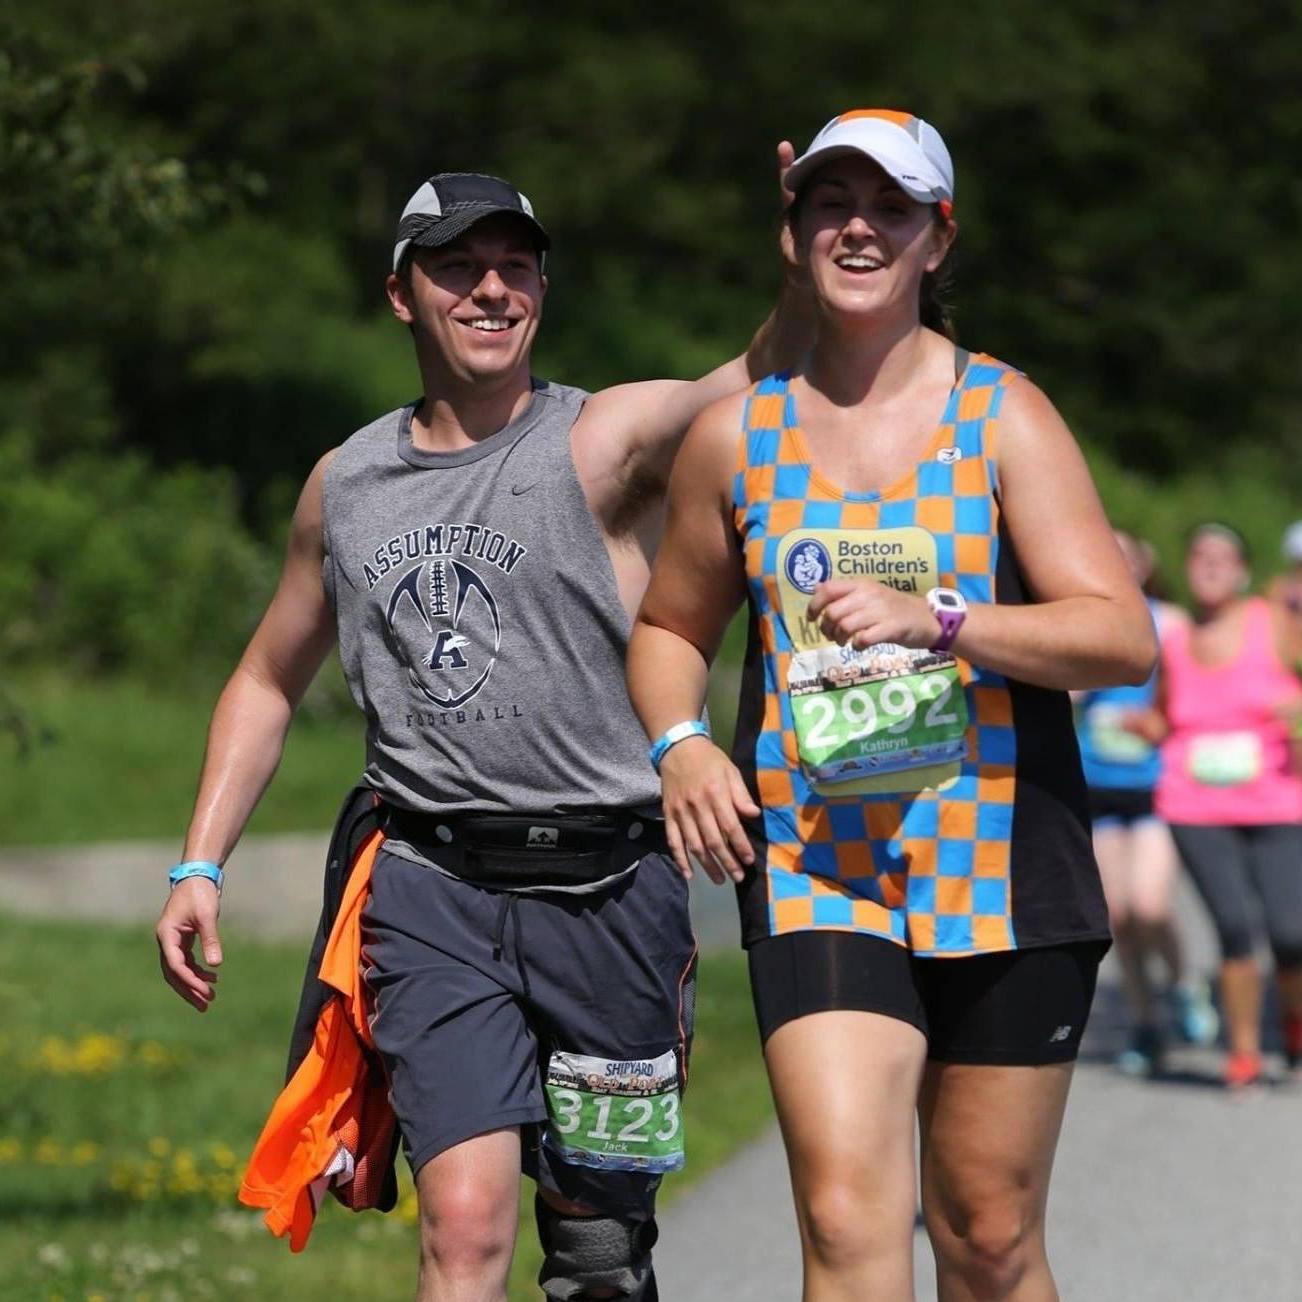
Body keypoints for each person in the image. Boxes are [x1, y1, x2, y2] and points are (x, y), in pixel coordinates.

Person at [154, 169, 805, 1302]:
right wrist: (200, 862)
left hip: (612, 893)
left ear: (543, 288)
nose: (491, 290)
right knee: (461, 1226)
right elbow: (265, 678)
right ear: (402, 294)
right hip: (431, 892)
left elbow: (749, 378)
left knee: (599, 1253)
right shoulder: (346, 485)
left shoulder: (601, 441)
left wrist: (805, 249)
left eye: (515, 267)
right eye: (458, 266)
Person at [627, 108, 1156, 1302]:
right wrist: (680, 742)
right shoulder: (733, 439)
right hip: (819, 863)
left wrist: (949, 623)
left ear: (938, 238)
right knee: (845, 1218)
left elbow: (1119, 638)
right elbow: (668, 629)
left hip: (1003, 866)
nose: (857, 227)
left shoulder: (1005, 415)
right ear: (794, 225)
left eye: (891, 208)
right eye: (829, 203)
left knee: (984, 1234)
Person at [1152, 523, 1302, 1088]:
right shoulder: (1172, 636)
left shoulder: (1277, 620)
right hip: (1195, 806)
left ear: (1241, 570)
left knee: (1291, 933)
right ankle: (1243, 1052)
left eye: (1223, 557)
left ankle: (1292, 1019)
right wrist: (1139, 726)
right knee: (1234, 926)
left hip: (1277, 800)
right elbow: (1165, 714)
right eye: (1200, 556)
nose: (1210, 565)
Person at [1074, 531, 1217, 1075]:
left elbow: (1201, 694)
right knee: (1120, 915)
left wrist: (1157, 724)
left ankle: (1182, 984)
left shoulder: (1173, 623)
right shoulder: (1078, 622)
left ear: (1143, 564)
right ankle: (1144, 1021)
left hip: (1159, 785)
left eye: (1124, 555)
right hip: (1099, 783)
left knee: (1151, 904)